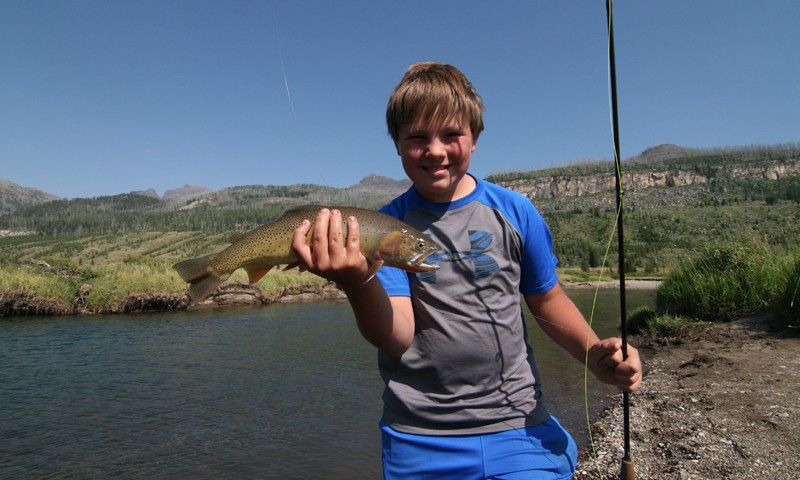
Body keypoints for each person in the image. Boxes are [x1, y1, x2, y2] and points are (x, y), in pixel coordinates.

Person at [292, 62, 642, 479]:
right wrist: (357, 280)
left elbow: (548, 299)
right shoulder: (384, 228)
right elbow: (395, 337)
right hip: (420, 437)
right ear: (397, 144)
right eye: (417, 138)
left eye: (451, 135)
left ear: (475, 138)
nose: (435, 151)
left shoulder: (515, 211)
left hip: (521, 426)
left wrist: (593, 355)